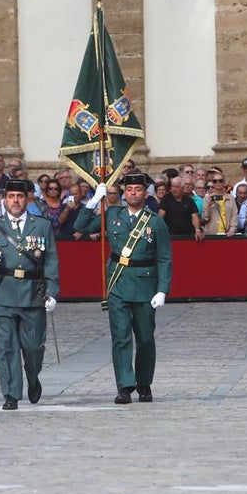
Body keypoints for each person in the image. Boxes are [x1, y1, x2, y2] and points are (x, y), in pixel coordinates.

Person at [75, 172, 172, 404]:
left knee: (146, 339)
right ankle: (125, 386)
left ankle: (144, 383)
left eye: (137, 190)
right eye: (128, 190)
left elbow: (164, 257)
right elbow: (80, 227)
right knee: (120, 337)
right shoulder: (112, 214)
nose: (133, 194)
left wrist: (162, 289)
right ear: (123, 193)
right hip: (118, 282)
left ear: (145, 192)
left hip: (145, 284)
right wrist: (93, 200)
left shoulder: (154, 221)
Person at [0, 179, 60, 410]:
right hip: (3, 292)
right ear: (5, 199)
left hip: (33, 293)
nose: (16, 201)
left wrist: (52, 292)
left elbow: (50, 261)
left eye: (20, 196)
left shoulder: (41, 225)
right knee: (6, 347)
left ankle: (32, 376)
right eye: (11, 196)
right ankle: (11, 393)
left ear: (27, 198)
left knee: (33, 347)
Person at [201, 172, 238, 236]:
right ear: (212, 183)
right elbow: (204, 218)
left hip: (227, 234)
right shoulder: (207, 198)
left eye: (220, 181)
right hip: (211, 235)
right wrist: (209, 206)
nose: (218, 183)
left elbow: (234, 215)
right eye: (215, 181)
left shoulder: (231, 198)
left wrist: (232, 230)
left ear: (224, 182)